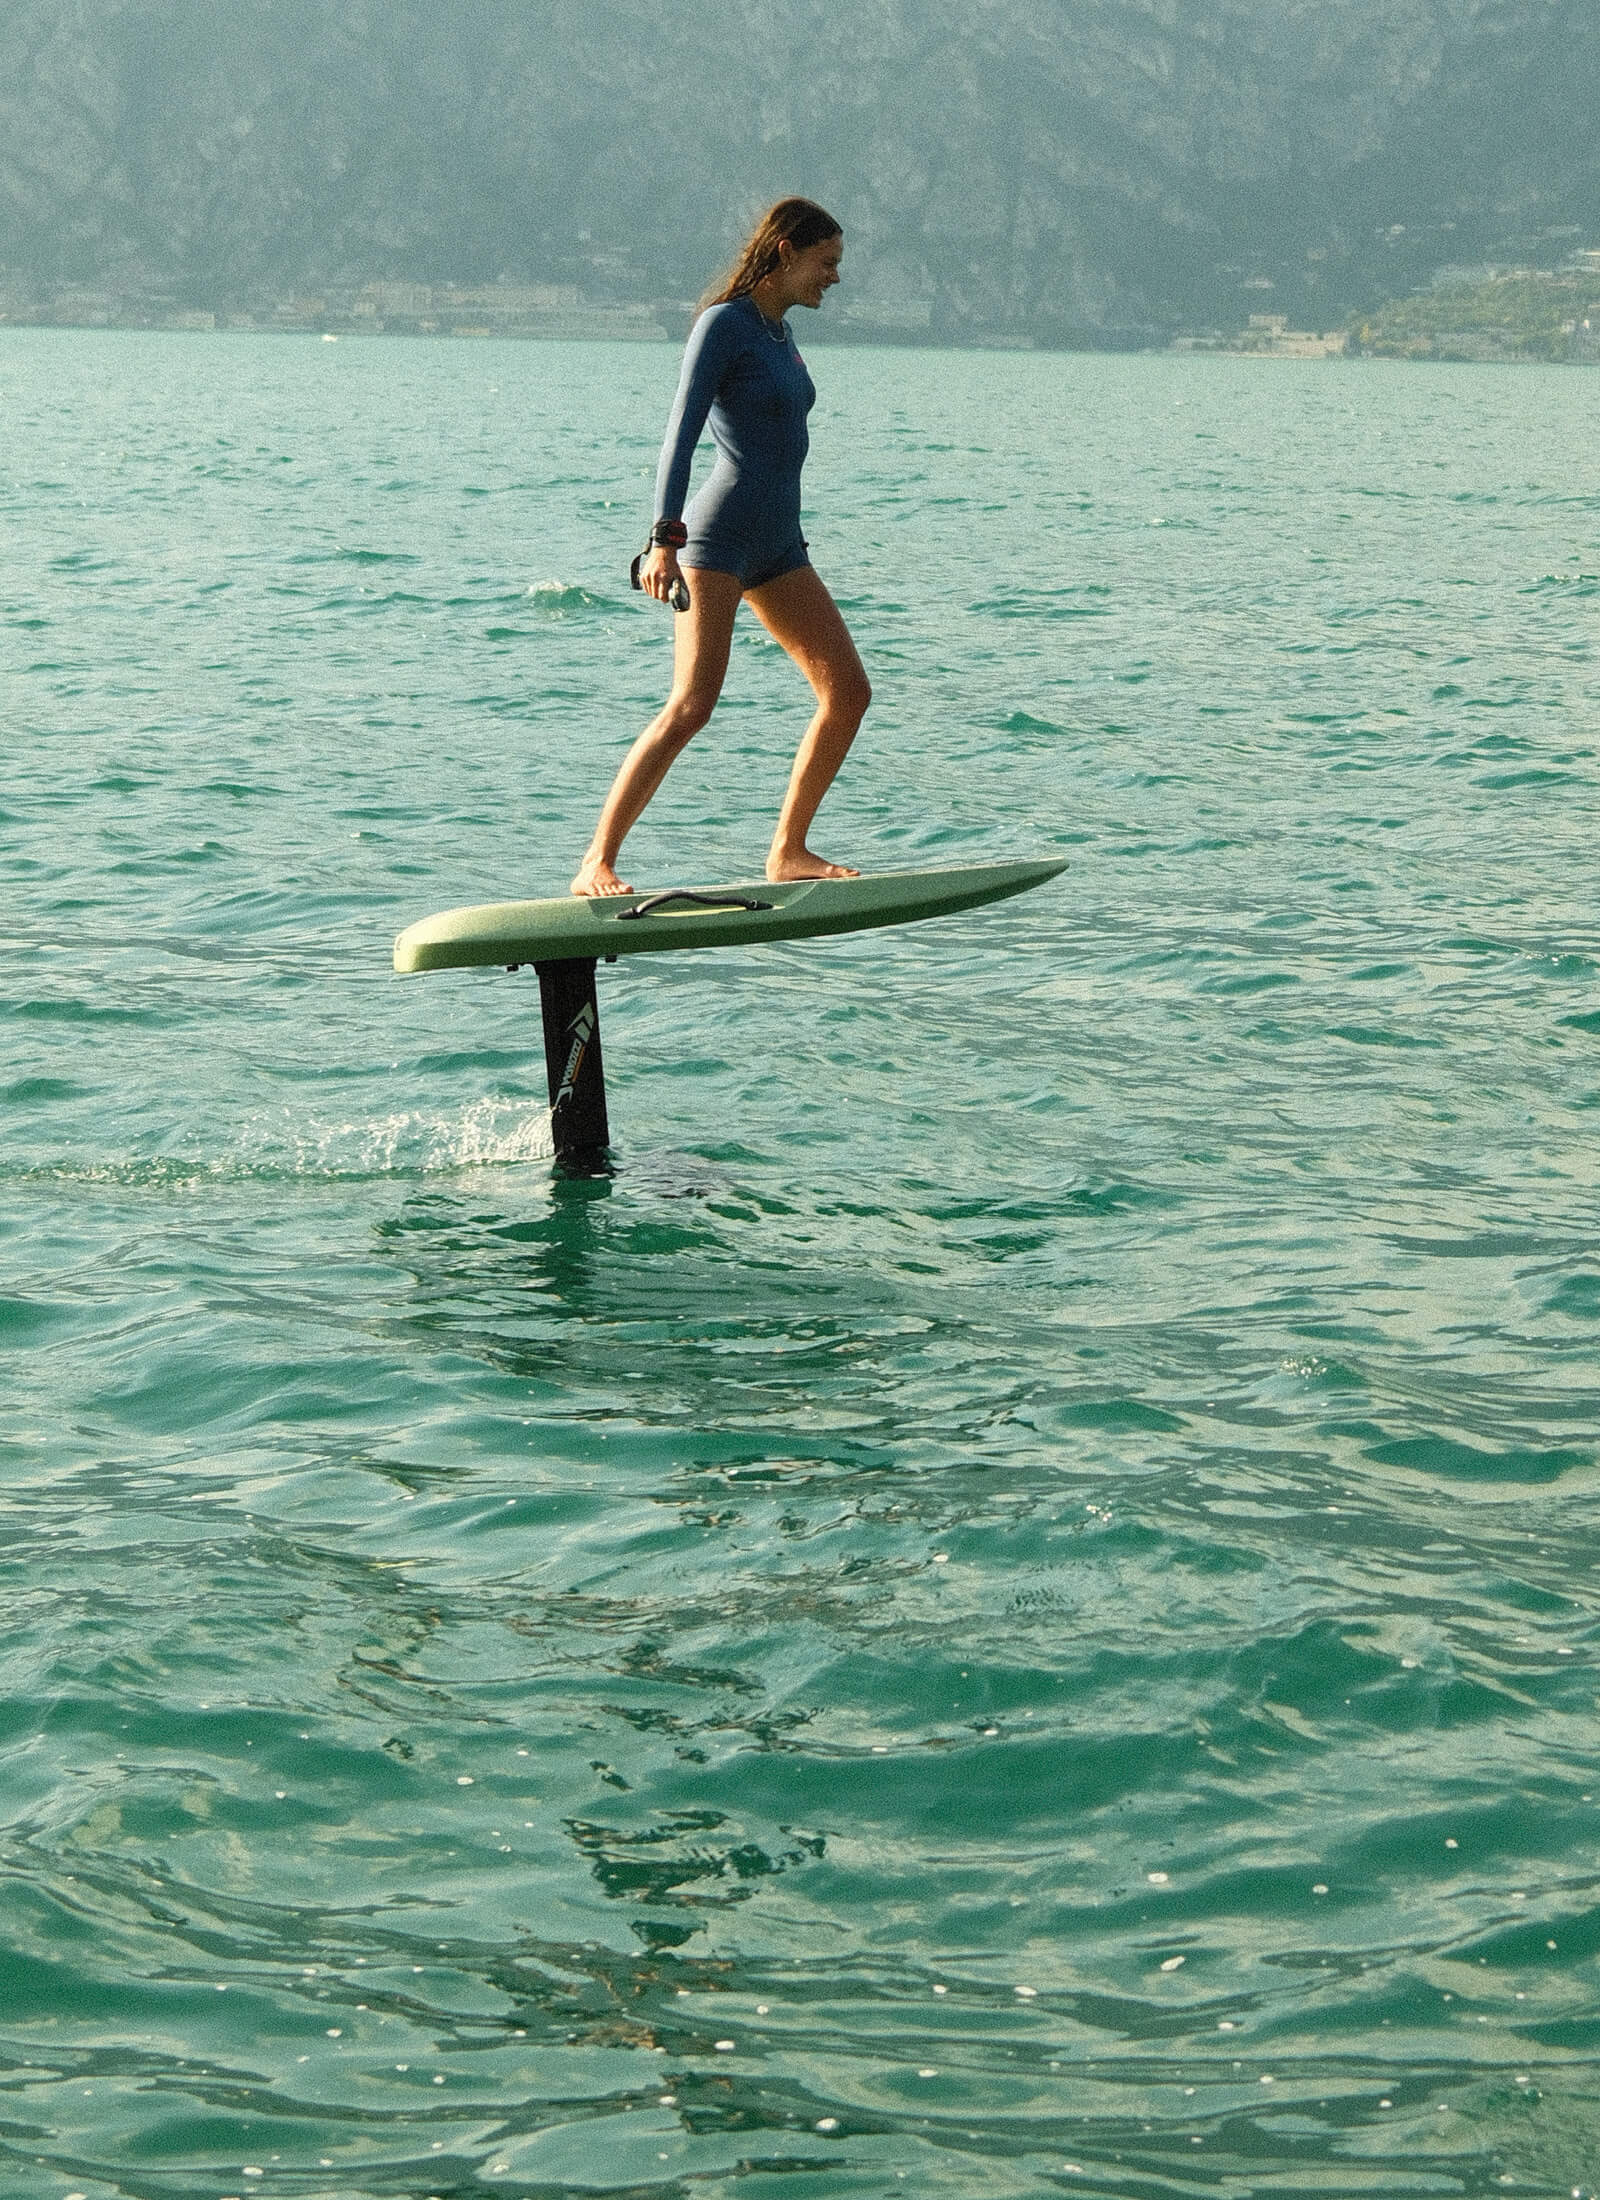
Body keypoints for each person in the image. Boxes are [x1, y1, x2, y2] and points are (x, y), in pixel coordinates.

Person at [571, 197, 871, 897]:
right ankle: (596, 861)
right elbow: (680, 433)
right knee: (692, 705)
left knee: (848, 694)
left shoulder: (778, 333)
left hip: (781, 546)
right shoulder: (724, 325)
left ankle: (788, 850)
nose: (835, 276)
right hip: (718, 540)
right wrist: (663, 541)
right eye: (826, 262)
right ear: (785, 252)